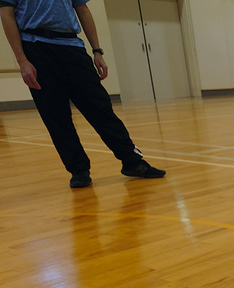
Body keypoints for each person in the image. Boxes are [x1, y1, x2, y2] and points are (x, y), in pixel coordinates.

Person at [0, 0, 165, 188]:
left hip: (72, 47)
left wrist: (97, 51)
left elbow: (83, 10)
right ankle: (79, 169)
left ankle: (132, 162)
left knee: (100, 107)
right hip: (36, 48)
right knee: (56, 116)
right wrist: (22, 61)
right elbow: (6, 14)